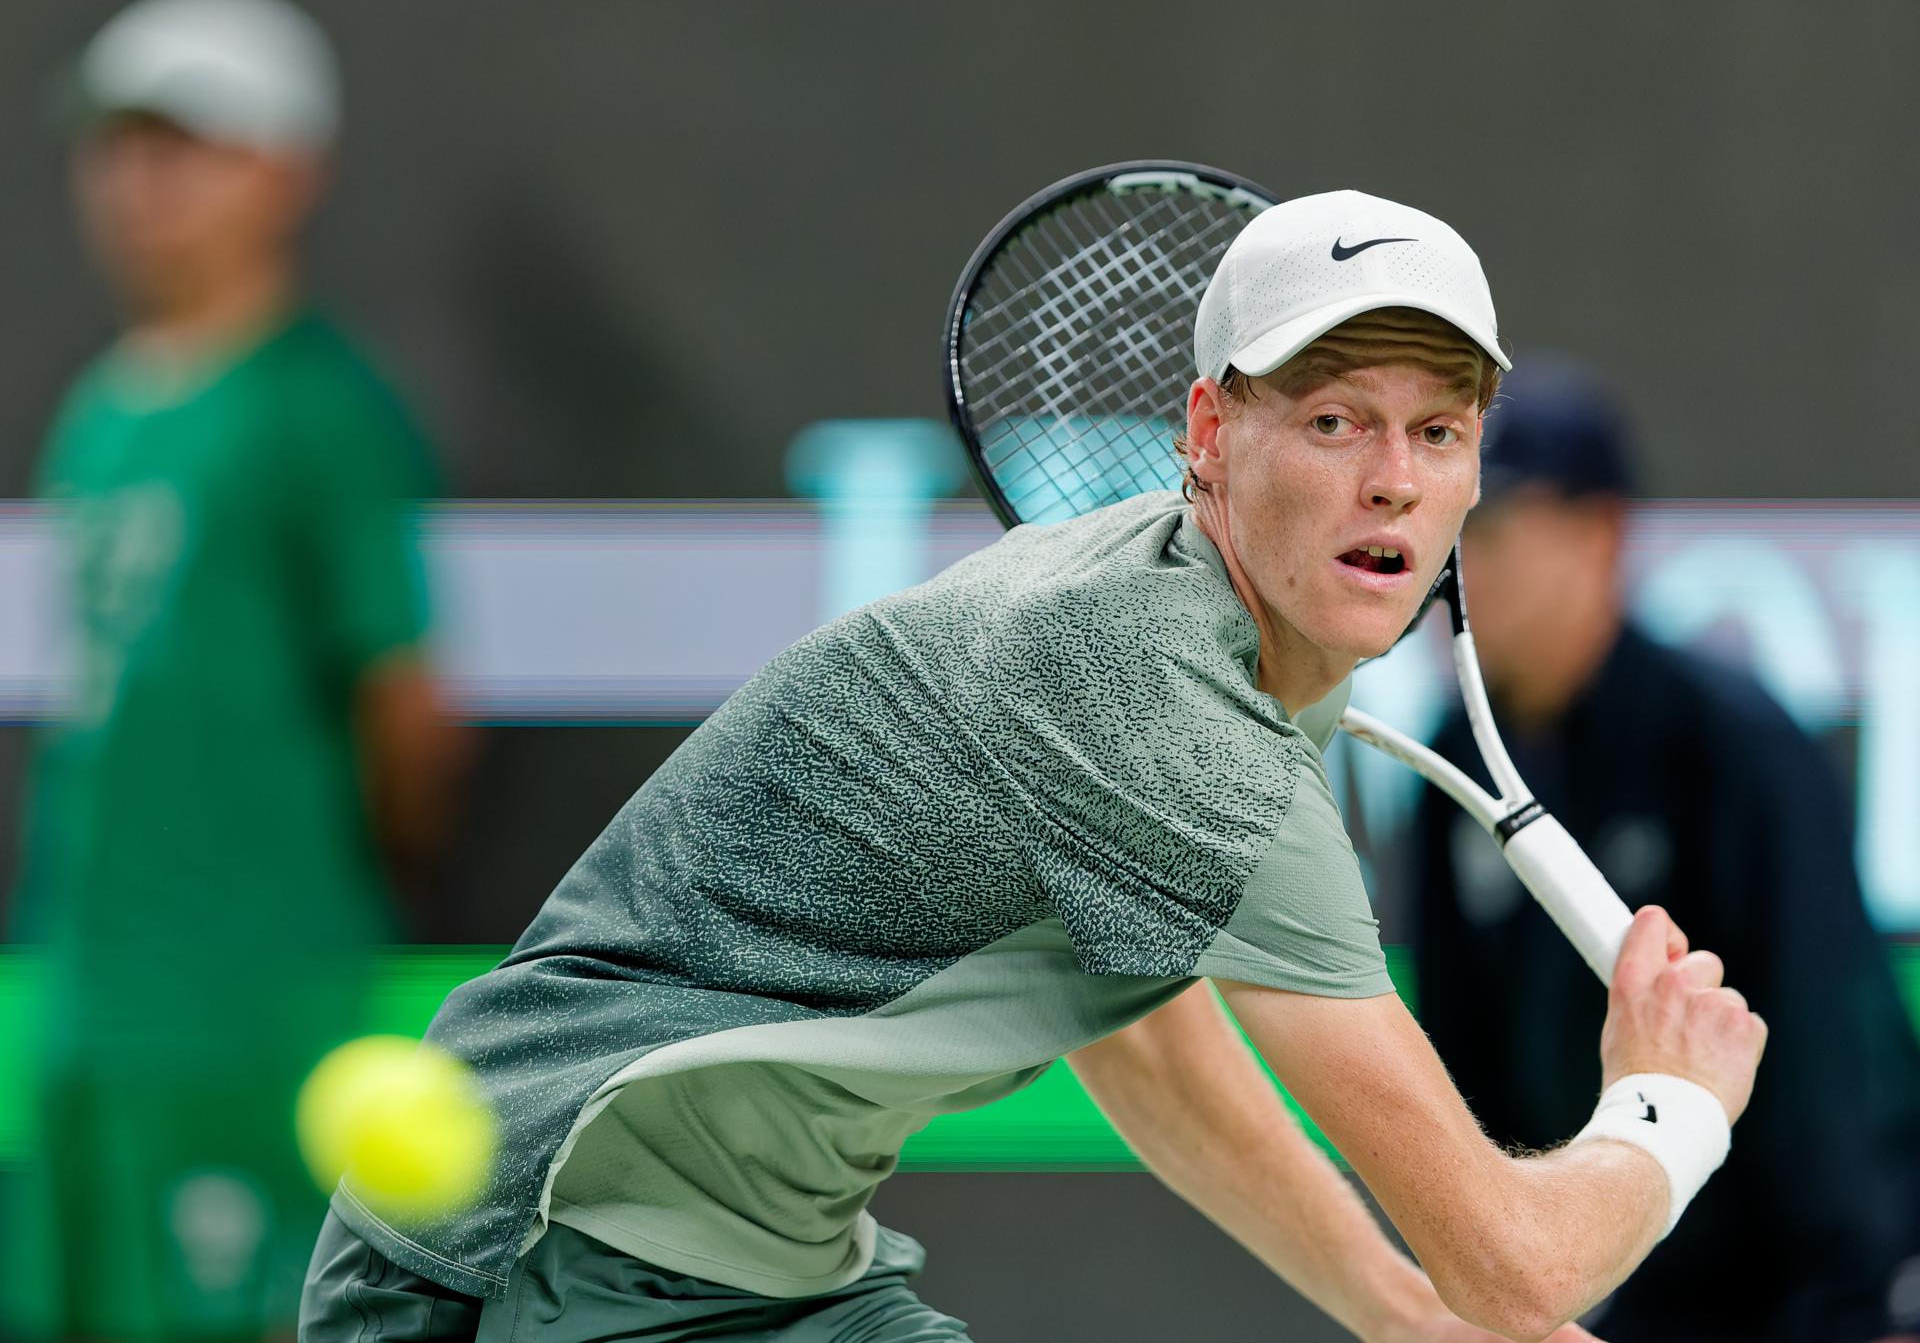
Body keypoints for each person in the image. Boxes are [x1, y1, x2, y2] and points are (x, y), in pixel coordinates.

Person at [300, 190, 1764, 1343]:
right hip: (540, 1256)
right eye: (1334, 421)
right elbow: (1512, 1263)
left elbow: (1134, 1015)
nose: (1392, 476)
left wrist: (1390, 1308)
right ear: (1209, 431)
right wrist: (1668, 1103)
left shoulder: (1198, 630)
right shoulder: (1170, 708)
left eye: (1438, 433)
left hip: (762, 1271)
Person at [4, 0, 466, 1339]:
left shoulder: (316, 411)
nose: (142, 185)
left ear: (284, 168)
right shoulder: (97, 414)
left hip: (248, 1009)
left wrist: (298, 915)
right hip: (88, 1007)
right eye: (120, 147)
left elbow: (409, 715)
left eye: (186, 147)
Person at [1408, 358, 1920, 1342]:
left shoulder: (1736, 747)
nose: (1455, 564)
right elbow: (1463, 1083)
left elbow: (1827, 1075)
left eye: (1494, 526)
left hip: (1790, 1295)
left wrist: (1851, 1306)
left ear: (1602, 534)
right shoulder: (1451, 760)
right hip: (1599, 1292)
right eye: (1446, 524)